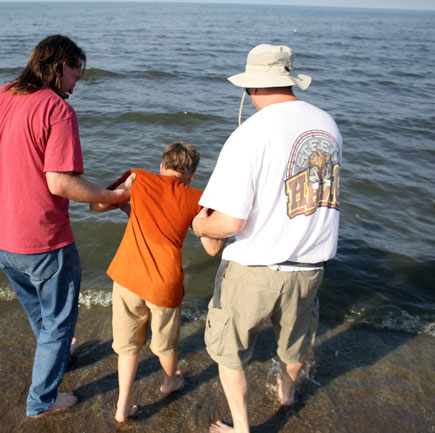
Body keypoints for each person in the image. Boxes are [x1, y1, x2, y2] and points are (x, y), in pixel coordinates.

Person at [0, 35, 133, 419]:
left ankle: (56, 357)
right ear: (58, 66)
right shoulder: (57, 110)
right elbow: (59, 182)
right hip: (43, 243)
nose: (75, 85)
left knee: (41, 314)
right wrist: (117, 197)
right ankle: (42, 400)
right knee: (58, 320)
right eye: (75, 75)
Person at [191, 44, 342, 433]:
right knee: (295, 342)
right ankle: (287, 393)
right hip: (309, 269)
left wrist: (199, 227)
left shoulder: (250, 134)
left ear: (252, 88)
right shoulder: (327, 124)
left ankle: (242, 428)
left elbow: (229, 222)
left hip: (255, 270)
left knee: (230, 352)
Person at [90, 142, 225, 422]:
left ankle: (122, 407)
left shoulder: (139, 178)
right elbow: (213, 248)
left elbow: (98, 204)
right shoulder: (197, 196)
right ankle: (169, 382)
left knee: (127, 347)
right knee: (165, 344)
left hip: (127, 276)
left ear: (162, 167)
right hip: (164, 284)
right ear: (192, 175)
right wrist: (211, 214)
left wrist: (128, 204)